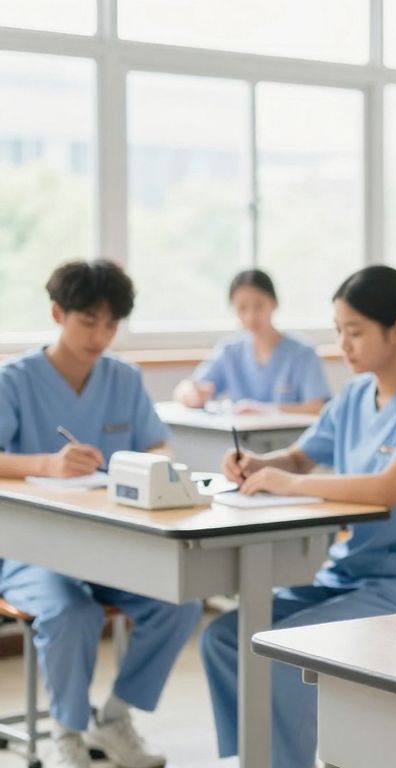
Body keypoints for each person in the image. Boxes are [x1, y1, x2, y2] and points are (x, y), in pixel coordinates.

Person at [200, 265, 396, 768]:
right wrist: (259, 464)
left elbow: (390, 489)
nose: (343, 345)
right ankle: (262, 756)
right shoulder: (353, 396)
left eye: (355, 332)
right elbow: (301, 457)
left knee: (285, 658)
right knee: (223, 639)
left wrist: (290, 483)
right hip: (346, 573)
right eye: (338, 331)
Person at [0, 259, 200, 768]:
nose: (100, 335)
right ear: (57, 313)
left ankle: (113, 718)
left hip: (114, 548)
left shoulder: (123, 379)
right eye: (88, 321)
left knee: (181, 602)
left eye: (111, 324)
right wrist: (47, 463)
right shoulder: (15, 380)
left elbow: (158, 447)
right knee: (72, 614)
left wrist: (147, 467)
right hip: (33, 551)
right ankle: (67, 733)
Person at [173, 269, 330, 414]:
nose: (251, 316)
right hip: (240, 441)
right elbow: (191, 386)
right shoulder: (230, 351)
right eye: (242, 308)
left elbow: (317, 407)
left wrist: (266, 411)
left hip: (291, 441)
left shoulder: (302, 352)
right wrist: (192, 394)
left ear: (274, 303)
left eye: (259, 306)